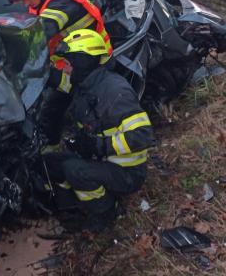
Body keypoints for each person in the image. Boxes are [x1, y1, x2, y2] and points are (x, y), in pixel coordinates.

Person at [41, 29, 155, 231]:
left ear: (82, 61)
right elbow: (62, 82)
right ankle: (70, 208)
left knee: (74, 170)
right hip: (101, 160)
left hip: (127, 172)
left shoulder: (113, 92)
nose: (65, 69)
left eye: (67, 63)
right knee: (49, 162)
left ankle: (105, 210)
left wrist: (97, 146)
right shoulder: (86, 83)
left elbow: (143, 136)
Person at [5, 0, 113, 144]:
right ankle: (53, 140)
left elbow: (41, 33)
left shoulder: (60, 2)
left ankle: (79, 143)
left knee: (75, 106)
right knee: (54, 101)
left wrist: (9, 54)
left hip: (94, 61)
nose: (25, 4)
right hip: (72, 59)